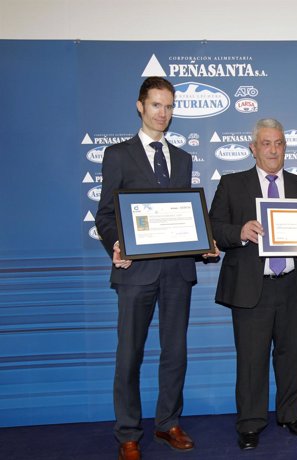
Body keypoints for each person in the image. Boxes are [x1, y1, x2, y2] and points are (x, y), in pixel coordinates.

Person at [95, 76, 219, 460]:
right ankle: (128, 433)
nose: (163, 113)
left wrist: (205, 241)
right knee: (129, 354)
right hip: (135, 273)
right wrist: (116, 243)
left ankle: (167, 424)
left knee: (175, 352)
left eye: (168, 106)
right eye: (155, 106)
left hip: (177, 271)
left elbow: (185, 216)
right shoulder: (118, 155)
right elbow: (105, 215)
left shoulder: (182, 158)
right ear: (140, 106)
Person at [209, 118, 297, 451]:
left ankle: (291, 415)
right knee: (251, 359)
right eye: (267, 143)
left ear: (285, 147)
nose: (273, 150)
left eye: (279, 143)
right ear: (253, 148)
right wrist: (239, 232)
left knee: (291, 357)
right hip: (250, 287)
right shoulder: (232, 183)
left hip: (292, 284)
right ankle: (250, 423)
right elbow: (214, 226)